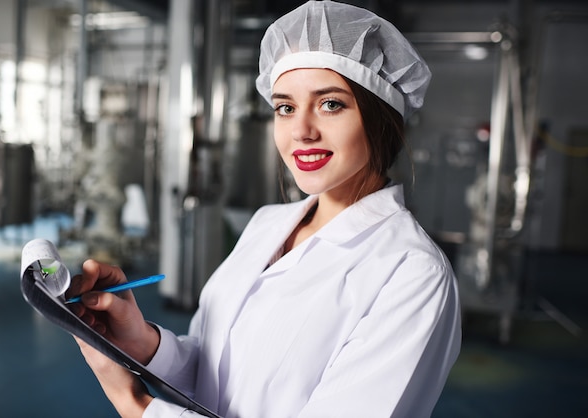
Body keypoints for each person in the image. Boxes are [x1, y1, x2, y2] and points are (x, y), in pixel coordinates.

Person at [67, 1, 462, 417]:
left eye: (330, 104)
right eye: (285, 107)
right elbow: (219, 371)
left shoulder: (412, 274)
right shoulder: (268, 224)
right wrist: (141, 341)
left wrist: (136, 404)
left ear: (381, 118)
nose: (302, 131)